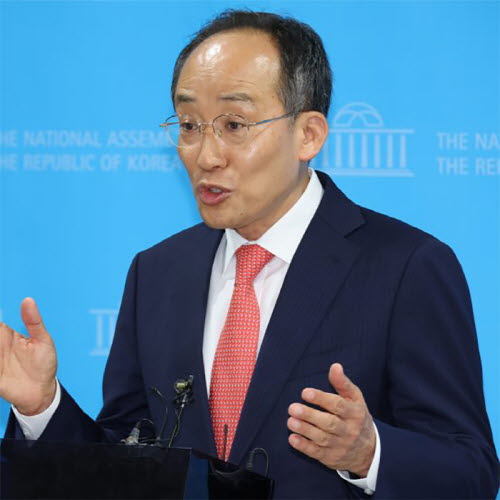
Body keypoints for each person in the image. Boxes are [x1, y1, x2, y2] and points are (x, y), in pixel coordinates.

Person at [1, 10, 498, 499]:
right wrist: (42, 408)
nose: (206, 155)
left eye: (235, 124)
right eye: (189, 124)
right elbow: (122, 464)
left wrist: (369, 454)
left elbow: (471, 472)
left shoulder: (405, 266)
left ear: (308, 134)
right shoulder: (157, 272)